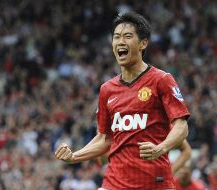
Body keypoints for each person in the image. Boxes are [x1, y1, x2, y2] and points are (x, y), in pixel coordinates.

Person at [55, 12, 190, 189]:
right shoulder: (107, 89)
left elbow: (181, 126)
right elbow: (104, 138)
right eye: (116, 37)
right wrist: (74, 156)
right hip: (115, 182)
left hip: (154, 182)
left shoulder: (161, 80)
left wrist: (161, 148)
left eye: (127, 36)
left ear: (143, 43)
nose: (120, 41)